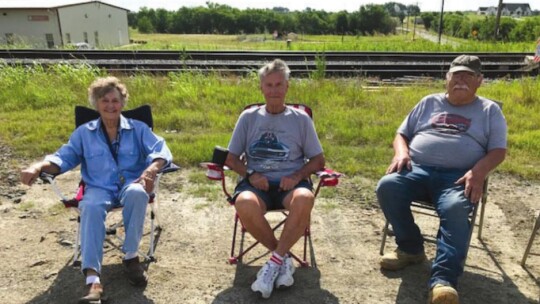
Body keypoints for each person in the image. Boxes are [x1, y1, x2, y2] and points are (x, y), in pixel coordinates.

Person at [20, 76, 172, 304]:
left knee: (137, 193)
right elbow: (64, 158)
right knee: (89, 205)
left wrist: (152, 168)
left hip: (131, 183)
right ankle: (93, 280)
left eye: (115, 100)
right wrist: (38, 165)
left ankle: (131, 257)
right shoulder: (84, 133)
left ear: (123, 103)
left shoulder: (138, 129)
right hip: (98, 188)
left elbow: (161, 151)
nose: (110, 105)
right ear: (96, 103)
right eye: (105, 101)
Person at [376, 55, 507, 304]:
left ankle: (443, 281)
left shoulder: (490, 110)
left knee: (456, 208)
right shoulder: (428, 102)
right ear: (446, 78)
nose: (461, 80)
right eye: (456, 75)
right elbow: (401, 134)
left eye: (468, 76)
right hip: (418, 169)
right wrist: (401, 152)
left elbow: (498, 151)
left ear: (480, 80)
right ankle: (411, 248)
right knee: (387, 186)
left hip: (458, 178)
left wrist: (478, 173)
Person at [225, 59, 325, 299]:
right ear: (261, 87)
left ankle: (273, 263)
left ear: (287, 87)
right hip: (256, 183)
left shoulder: (301, 119)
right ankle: (283, 257)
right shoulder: (249, 118)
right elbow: (230, 158)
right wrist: (251, 174)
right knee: (244, 202)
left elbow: (318, 160)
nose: (274, 90)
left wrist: (297, 175)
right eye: (269, 85)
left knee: (304, 198)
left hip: (290, 184)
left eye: (279, 84)